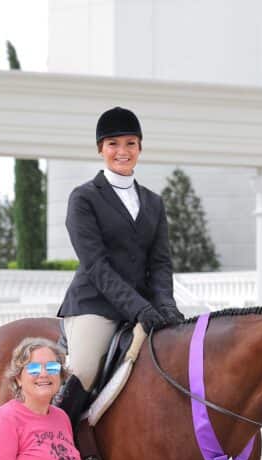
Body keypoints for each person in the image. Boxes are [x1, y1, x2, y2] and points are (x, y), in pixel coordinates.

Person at [55, 105, 186, 431]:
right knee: (84, 369)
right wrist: (139, 307)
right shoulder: (84, 198)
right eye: (113, 144)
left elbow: (160, 263)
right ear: (101, 148)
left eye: (130, 143)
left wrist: (166, 306)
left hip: (145, 308)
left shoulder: (153, 202)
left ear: (140, 148)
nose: (122, 151)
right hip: (95, 305)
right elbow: (95, 265)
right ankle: (53, 437)